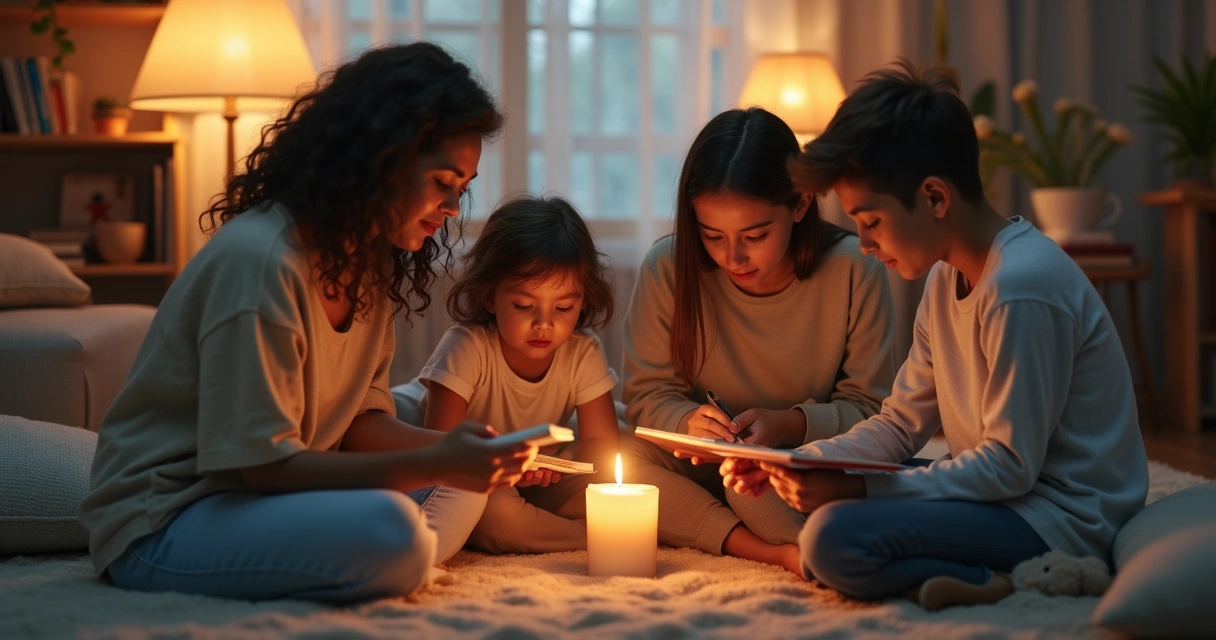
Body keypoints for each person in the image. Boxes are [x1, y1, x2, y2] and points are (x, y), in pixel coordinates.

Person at [78, 43, 537, 604]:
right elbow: (263, 468)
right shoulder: (262, 262)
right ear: (382, 157)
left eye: (460, 190)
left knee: (460, 491)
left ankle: (378, 555)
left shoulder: (366, 261)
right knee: (390, 527)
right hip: (169, 516)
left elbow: (358, 423)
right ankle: (387, 556)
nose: (451, 208)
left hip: (259, 499)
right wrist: (434, 460)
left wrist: (455, 455)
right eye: (442, 181)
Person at [723, 60, 1148, 610]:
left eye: (871, 221)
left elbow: (1010, 466)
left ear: (935, 197)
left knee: (833, 537)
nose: (865, 244)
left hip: (1060, 516)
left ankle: (1006, 577)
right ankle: (965, 574)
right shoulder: (948, 275)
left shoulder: (1020, 287)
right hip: (1005, 495)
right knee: (787, 501)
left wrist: (855, 487)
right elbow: (901, 424)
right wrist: (802, 460)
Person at [621, 107, 897, 574]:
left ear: (801, 204)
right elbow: (644, 396)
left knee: (746, 487)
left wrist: (788, 426)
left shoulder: (855, 269)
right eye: (711, 235)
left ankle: (829, 548)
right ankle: (768, 547)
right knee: (613, 457)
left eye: (755, 234)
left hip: (800, 469)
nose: (733, 256)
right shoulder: (667, 266)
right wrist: (688, 421)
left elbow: (874, 411)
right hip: (692, 465)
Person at [393, 195, 620, 554]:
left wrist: (564, 466)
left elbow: (602, 447)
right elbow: (444, 454)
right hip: (423, 449)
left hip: (515, 468)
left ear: (583, 301)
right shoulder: (466, 347)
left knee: (621, 483)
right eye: (524, 306)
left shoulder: (582, 351)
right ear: (489, 297)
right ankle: (598, 539)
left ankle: (587, 529)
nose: (544, 323)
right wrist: (510, 472)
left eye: (564, 307)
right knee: (492, 510)